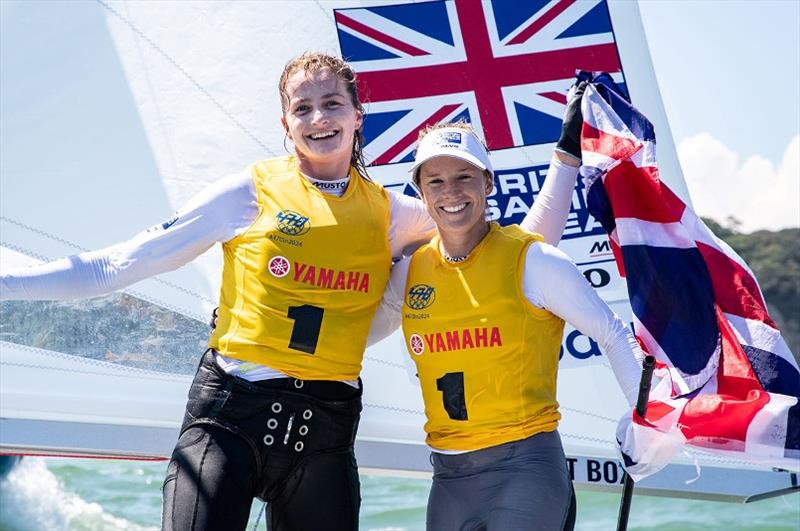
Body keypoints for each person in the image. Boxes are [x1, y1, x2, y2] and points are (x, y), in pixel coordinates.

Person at [0, 52, 585, 530]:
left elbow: (519, 255)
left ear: (358, 115)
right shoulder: (248, 193)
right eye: (302, 108)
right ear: (286, 125)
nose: (318, 117)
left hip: (324, 434)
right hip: (229, 420)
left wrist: (563, 160)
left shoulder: (396, 214)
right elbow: (115, 266)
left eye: (332, 103)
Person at [367, 122, 645, 531]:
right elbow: (349, 340)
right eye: (436, 181)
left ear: (488, 183)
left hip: (527, 470)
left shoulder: (536, 261)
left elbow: (613, 332)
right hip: (448, 480)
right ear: (421, 193)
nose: (451, 192)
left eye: (464, 177)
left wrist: (645, 418)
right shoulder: (409, 273)